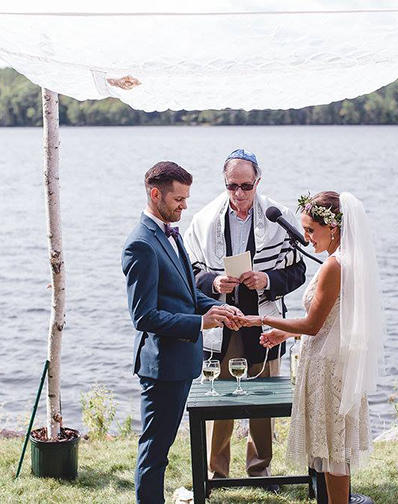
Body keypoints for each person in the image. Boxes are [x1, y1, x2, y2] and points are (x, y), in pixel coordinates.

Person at [240, 191, 384, 504]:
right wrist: (285, 335)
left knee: (333, 451)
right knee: (336, 450)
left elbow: (313, 325)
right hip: (336, 361)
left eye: (310, 230)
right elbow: (333, 321)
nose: (305, 237)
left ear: (332, 227)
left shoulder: (334, 266)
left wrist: (261, 319)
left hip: (328, 369)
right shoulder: (350, 261)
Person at [122, 161, 242, 504]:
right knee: (155, 449)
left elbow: (186, 292)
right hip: (161, 366)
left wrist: (215, 307)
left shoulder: (170, 234)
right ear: (155, 194)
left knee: (162, 445)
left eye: (187, 198)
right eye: (178, 198)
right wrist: (200, 323)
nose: (184, 205)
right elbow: (144, 316)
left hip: (180, 361)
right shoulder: (141, 245)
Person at [184, 149, 306, 482]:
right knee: (219, 398)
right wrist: (213, 282)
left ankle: (259, 470)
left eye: (246, 186)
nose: (239, 193)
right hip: (220, 323)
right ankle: (217, 473)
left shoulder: (278, 217)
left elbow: (298, 271)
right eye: (232, 185)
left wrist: (267, 280)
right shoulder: (205, 219)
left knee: (264, 400)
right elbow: (190, 273)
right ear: (224, 183)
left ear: (258, 182)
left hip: (264, 322)